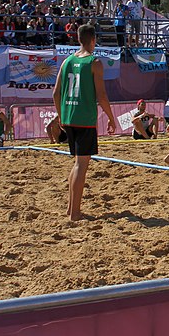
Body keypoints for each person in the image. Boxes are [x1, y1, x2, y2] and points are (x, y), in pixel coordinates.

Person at [53, 24, 117, 221]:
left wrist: (61, 116)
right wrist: (111, 117)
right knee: (81, 165)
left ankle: (71, 208)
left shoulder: (67, 62)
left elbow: (56, 93)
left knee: (77, 164)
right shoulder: (95, 62)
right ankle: (75, 213)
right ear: (93, 40)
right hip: (85, 119)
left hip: (69, 118)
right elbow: (102, 95)